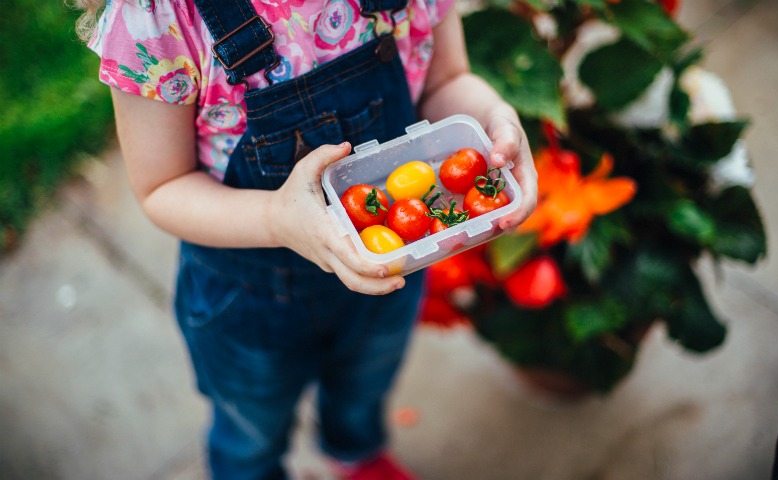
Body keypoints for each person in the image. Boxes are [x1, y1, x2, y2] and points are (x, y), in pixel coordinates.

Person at [79, 0, 538, 478]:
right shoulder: (159, 23)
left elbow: (445, 82)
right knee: (250, 431)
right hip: (250, 298)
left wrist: (491, 117)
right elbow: (161, 187)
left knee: (365, 387)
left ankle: (353, 450)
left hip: (387, 273)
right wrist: (277, 218)